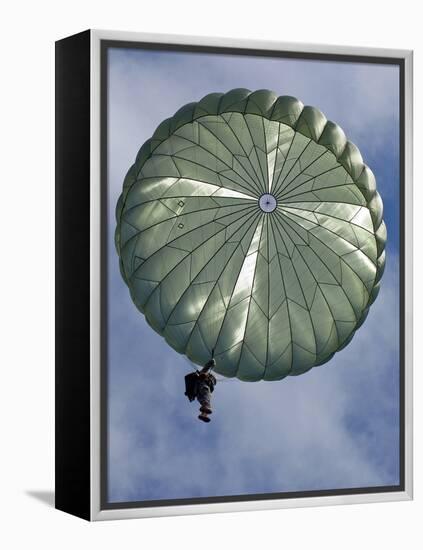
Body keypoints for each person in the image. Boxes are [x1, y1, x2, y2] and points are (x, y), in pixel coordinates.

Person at [184, 359, 217, 423]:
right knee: (205, 397)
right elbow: (206, 369)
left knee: (202, 399)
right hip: (205, 388)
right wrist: (212, 362)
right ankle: (207, 408)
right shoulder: (205, 376)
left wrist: (190, 392)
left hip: (200, 390)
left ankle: (204, 414)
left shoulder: (199, 379)